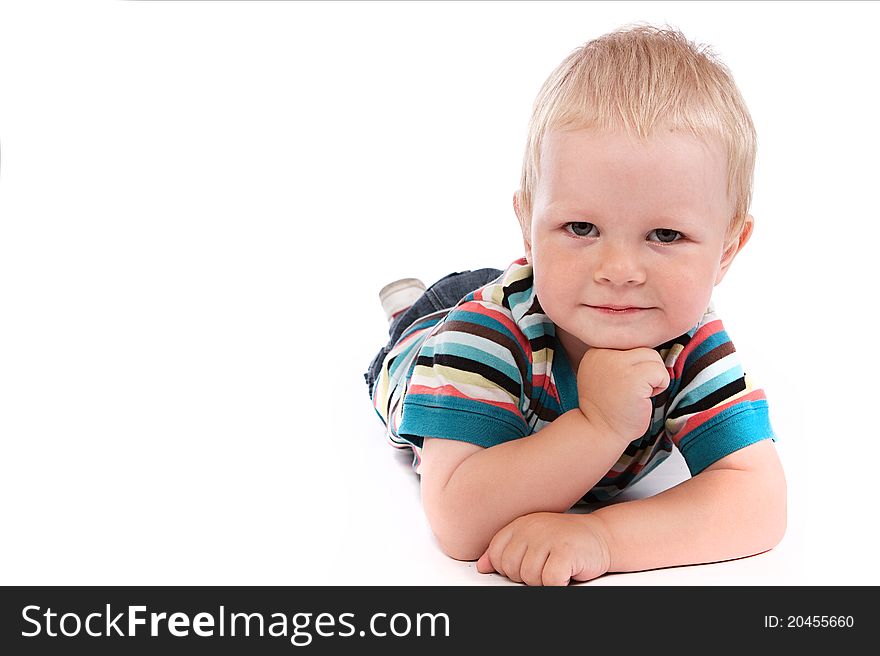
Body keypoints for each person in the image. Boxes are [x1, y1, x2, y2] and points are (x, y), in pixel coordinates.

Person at [364, 24, 786, 586]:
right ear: (527, 226)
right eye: (580, 227)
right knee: (415, 329)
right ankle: (406, 310)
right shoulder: (480, 338)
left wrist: (603, 537)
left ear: (728, 249)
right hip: (434, 338)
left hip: (555, 293)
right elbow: (458, 523)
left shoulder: (692, 343)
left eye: (664, 235)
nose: (618, 271)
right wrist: (598, 424)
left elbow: (758, 500)